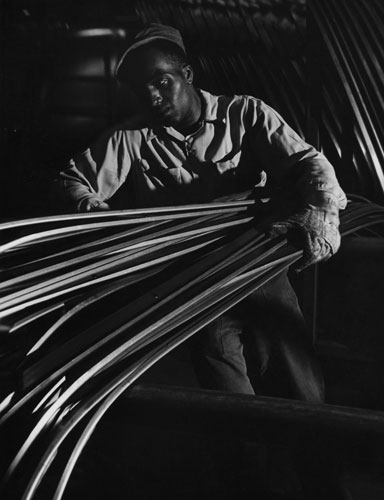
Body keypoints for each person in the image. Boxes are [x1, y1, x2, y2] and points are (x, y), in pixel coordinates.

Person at [56, 23, 350, 498]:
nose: (152, 96)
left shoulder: (246, 114)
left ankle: (326, 487)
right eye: (141, 89)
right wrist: (108, 218)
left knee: (299, 389)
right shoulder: (132, 138)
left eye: (162, 81)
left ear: (187, 73)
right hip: (193, 289)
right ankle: (254, 490)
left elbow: (308, 163)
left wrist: (321, 208)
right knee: (229, 407)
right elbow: (74, 179)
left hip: (258, 274)